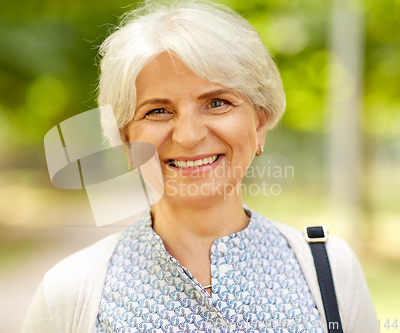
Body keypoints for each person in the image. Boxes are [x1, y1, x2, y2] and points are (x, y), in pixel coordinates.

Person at [22, 1, 378, 332]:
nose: (189, 136)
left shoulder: (330, 270)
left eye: (217, 102)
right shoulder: (69, 292)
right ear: (126, 140)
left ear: (259, 124)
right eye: (157, 110)